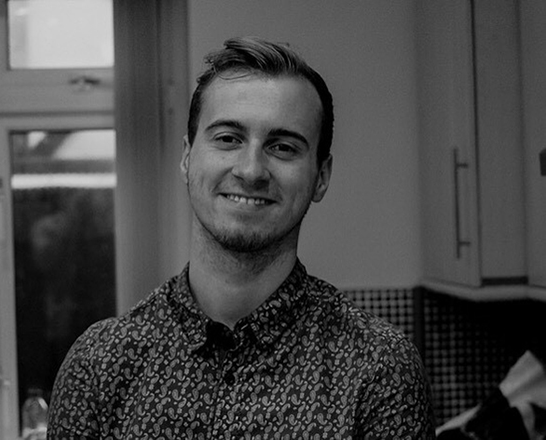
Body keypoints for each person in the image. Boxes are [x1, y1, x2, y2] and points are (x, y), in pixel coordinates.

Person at [47, 36, 435, 439]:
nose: (251, 171)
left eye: (283, 147)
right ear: (187, 157)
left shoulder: (379, 370)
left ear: (321, 176)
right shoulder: (100, 367)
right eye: (228, 138)